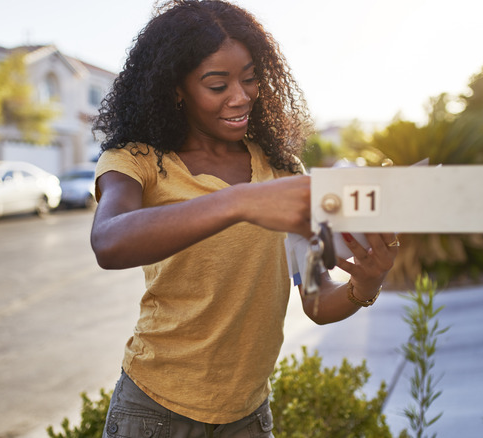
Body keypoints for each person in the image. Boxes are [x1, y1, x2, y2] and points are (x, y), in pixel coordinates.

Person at [90, 1, 399, 436]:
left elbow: (314, 297)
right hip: (154, 413)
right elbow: (108, 241)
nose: (241, 96)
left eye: (250, 78)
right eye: (217, 85)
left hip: (249, 418)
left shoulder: (282, 168)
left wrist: (364, 286)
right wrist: (241, 202)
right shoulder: (137, 161)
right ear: (176, 88)